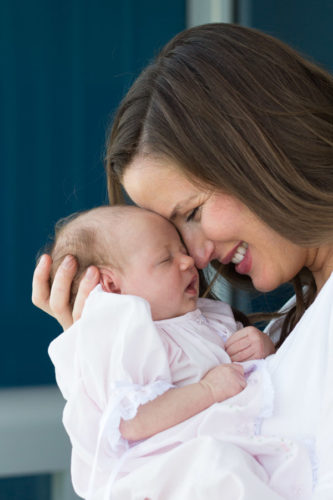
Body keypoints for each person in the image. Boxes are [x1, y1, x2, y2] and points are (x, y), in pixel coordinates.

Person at [32, 23, 333, 497]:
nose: (195, 255)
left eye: (191, 212)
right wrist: (108, 352)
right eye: (172, 236)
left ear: (259, 147)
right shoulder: (265, 345)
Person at [48, 205, 310, 500]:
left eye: (182, 250)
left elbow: (260, 374)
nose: (189, 261)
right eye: (165, 259)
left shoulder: (209, 315)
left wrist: (262, 347)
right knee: (217, 467)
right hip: (178, 472)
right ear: (111, 285)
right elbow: (133, 420)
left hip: (247, 447)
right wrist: (208, 390)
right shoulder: (130, 341)